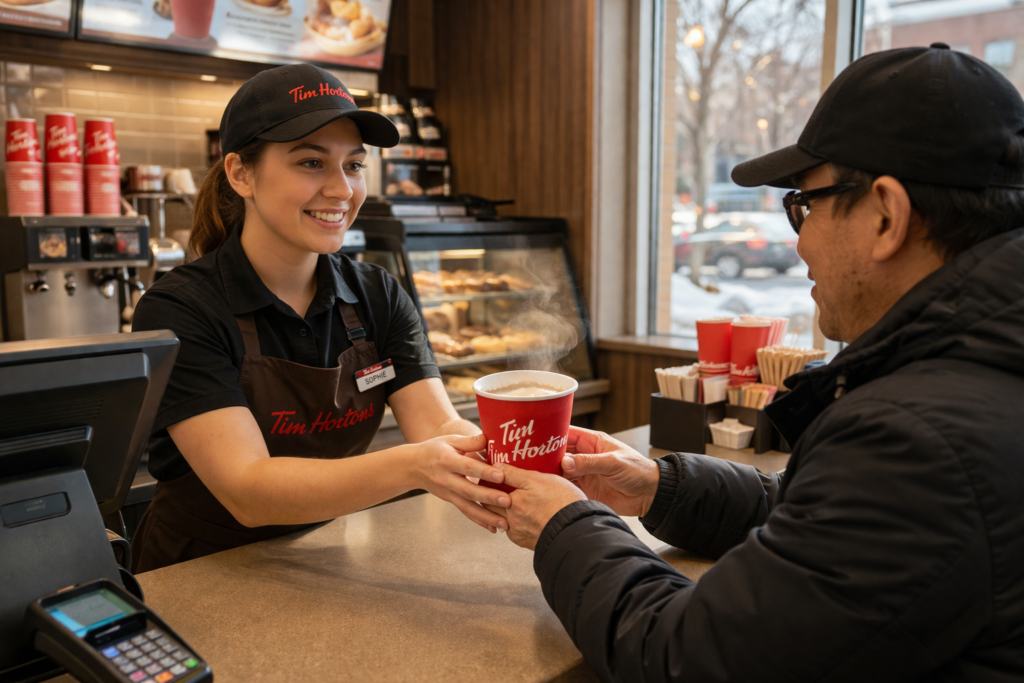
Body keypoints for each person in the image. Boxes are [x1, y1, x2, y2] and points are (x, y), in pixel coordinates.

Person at [487, 44, 1024, 680]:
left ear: (887, 215)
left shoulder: (923, 438)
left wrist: (565, 525)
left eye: (805, 204)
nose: (799, 243)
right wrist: (659, 486)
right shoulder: (982, 369)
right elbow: (829, 526)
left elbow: (687, 659)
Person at [130, 64, 510, 572]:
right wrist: (415, 466)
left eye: (354, 165)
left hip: (321, 559)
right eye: (311, 162)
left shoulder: (377, 295)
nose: (342, 190)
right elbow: (248, 489)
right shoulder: (181, 309)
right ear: (240, 173)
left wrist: (514, 454)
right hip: (195, 574)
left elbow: (437, 424)